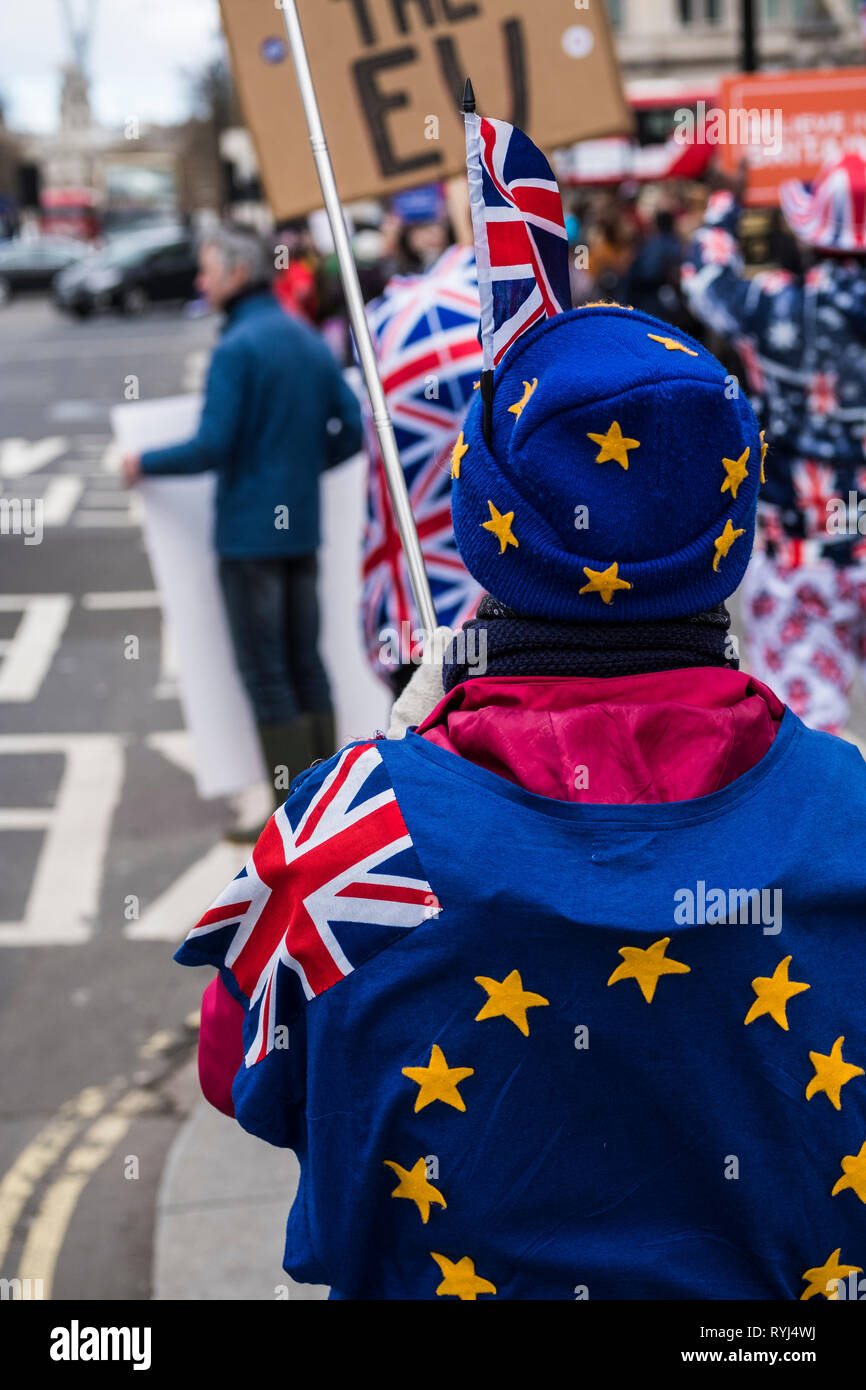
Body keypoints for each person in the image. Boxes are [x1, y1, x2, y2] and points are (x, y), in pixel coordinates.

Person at [175, 301, 866, 1300]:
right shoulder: (846, 820)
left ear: (480, 519)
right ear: (734, 523)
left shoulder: (350, 841)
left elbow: (236, 1069)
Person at [122, 225, 362, 838]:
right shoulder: (304, 337)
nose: (200, 282)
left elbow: (213, 444)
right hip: (300, 530)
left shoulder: (235, 349)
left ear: (235, 273)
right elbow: (352, 429)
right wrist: (303, 471)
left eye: (207, 270)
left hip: (248, 537)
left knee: (266, 672)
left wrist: (142, 463)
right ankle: (327, 805)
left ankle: (287, 819)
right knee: (307, 662)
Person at [682, 152, 866, 734]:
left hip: (798, 561)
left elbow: (705, 280)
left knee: (809, 742)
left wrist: (724, 201)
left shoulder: (777, 305)